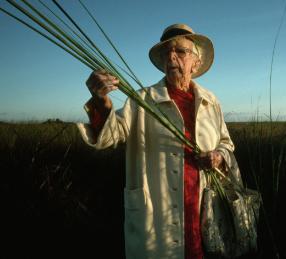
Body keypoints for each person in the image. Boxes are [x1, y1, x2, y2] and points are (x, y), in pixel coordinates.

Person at [77, 23, 240, 259]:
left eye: (180, 51)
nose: (171, 57)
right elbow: (110, 136)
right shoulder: (143, 100)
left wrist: (218, 156)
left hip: (202, 212)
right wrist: (102, 102)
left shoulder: (210, 101)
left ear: (195, 62)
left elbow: (226, 143)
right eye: (167, 52)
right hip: (156, 218)